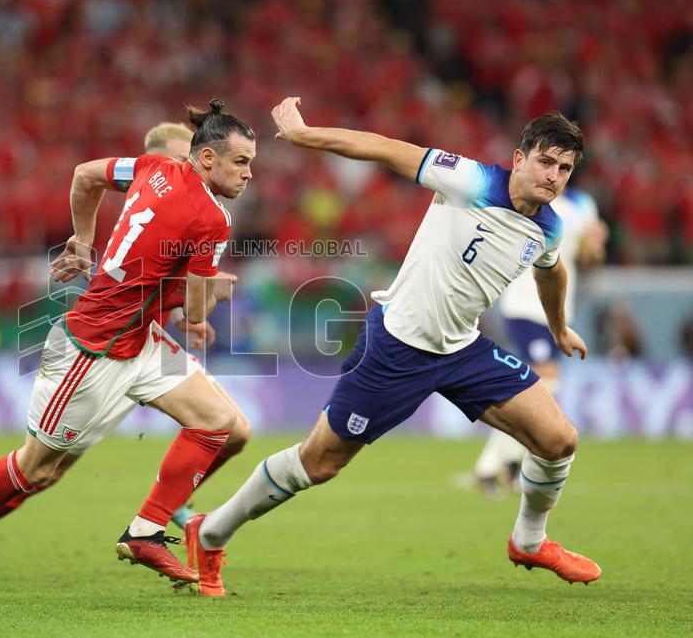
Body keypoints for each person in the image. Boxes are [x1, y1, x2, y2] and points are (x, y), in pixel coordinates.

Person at [184, 97, 601, 596]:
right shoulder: (469, 180)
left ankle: (529, 541)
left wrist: (558, 327)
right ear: (518, 158)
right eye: (545, 161)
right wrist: (305, 134)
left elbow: (550, 270)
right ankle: (209, 533)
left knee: (559, 441)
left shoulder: (550, 225)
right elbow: (383, 148)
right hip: (395, 348)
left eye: (564, 169)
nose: (553, 176)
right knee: (319, 463)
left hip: (462, 349)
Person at [0, 100, 256, 600]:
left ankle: (146, 530)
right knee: (37, 468)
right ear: (205, 159)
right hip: (94, 349)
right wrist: (209, 291)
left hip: (142, 340)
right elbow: (197, 313)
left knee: (222, 423)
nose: (249, 174)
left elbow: (85, 175)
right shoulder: (212, 219)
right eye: (241, 162)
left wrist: (83, 241)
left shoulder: (151, 167)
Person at [473, 187, 607, 495]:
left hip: (557, 309)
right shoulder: (523, 193)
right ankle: (501, 463)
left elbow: (587, 259)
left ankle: (497, 465)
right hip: (523, 303)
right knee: (546, 380)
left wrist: (596, 246)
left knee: (537, 385)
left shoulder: (583, 203)